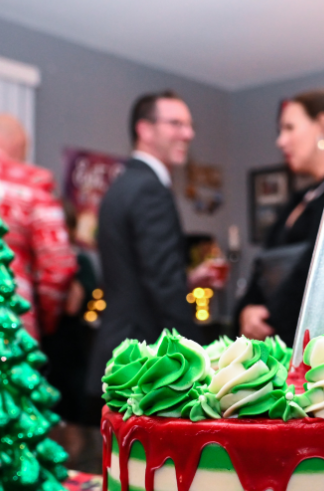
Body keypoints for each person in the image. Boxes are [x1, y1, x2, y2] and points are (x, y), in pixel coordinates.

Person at [85, 91, 223, 404]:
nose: (188, 134)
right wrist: (199, 360)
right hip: (141, 365)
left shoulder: (122, 185)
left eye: (189, 125)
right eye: (176, 124)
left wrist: (185, 280)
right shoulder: (149, 189)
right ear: (145, 130)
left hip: (118, 355)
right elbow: (163, 288)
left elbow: (138, 275)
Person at [235, 90, 324, 346]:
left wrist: (269, 318)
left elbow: (320, 268)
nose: (280, 141)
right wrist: (247, 310)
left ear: (322, 125)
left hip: (318, 349)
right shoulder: (299, 197)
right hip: (276, 346)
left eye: (289, 128)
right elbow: (262, 266)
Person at [0, 114, 77, 339]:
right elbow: (57, 266)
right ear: (19, 146)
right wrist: (46, 321)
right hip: (9, 321)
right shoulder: (33, 182)